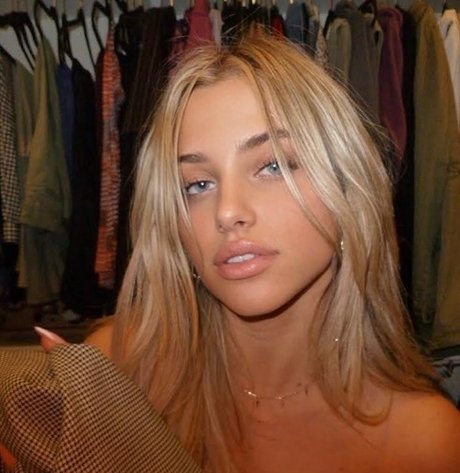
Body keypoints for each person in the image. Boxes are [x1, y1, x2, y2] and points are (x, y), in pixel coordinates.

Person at [1, 32, 460, 473]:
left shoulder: (427, 442)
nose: (227, 211)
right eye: (197, 184)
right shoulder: (118, 368)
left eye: (272, 166)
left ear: (348, 187)